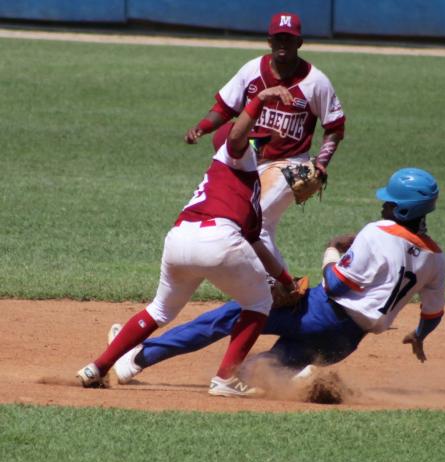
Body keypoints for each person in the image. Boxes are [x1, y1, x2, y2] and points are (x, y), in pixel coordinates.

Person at [109, 168, 445, 383]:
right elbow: (432, 314)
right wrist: (418, 335)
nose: (383, 206)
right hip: (344, 343)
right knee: (256, 373)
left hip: (319, 312)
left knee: (231, 316)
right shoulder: (436, 258)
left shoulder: (377, 231)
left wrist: (331, 251)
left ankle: (137, 358)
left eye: (389, 203)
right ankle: (302, 379)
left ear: (403, 209)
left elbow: (335, 284)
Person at [76, 88, 296, 397]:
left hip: (180, 240)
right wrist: (260, 99)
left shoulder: (234, 181)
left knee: (159, 310)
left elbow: (255, 242)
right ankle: (225, 379)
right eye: (256, 139)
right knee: (259, 303)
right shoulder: (237, 156)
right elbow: (236, 138)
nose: (259, 145)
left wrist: (287, 280)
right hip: (218, 240)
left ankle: (97, 368)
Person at [185, 11, 345, 270]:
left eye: (289, 39)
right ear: (269, 41)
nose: (283, 44)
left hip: (291, 165)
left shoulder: (316, 82)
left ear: (299, 43)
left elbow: (335, 128)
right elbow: (225, 107)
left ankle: (282, 289)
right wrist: (201, 128)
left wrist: (323, 161)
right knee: (252, 224)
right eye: (278, 38)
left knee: (254, 222)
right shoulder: (251, 70)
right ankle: (277, 289)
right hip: (252, 162)